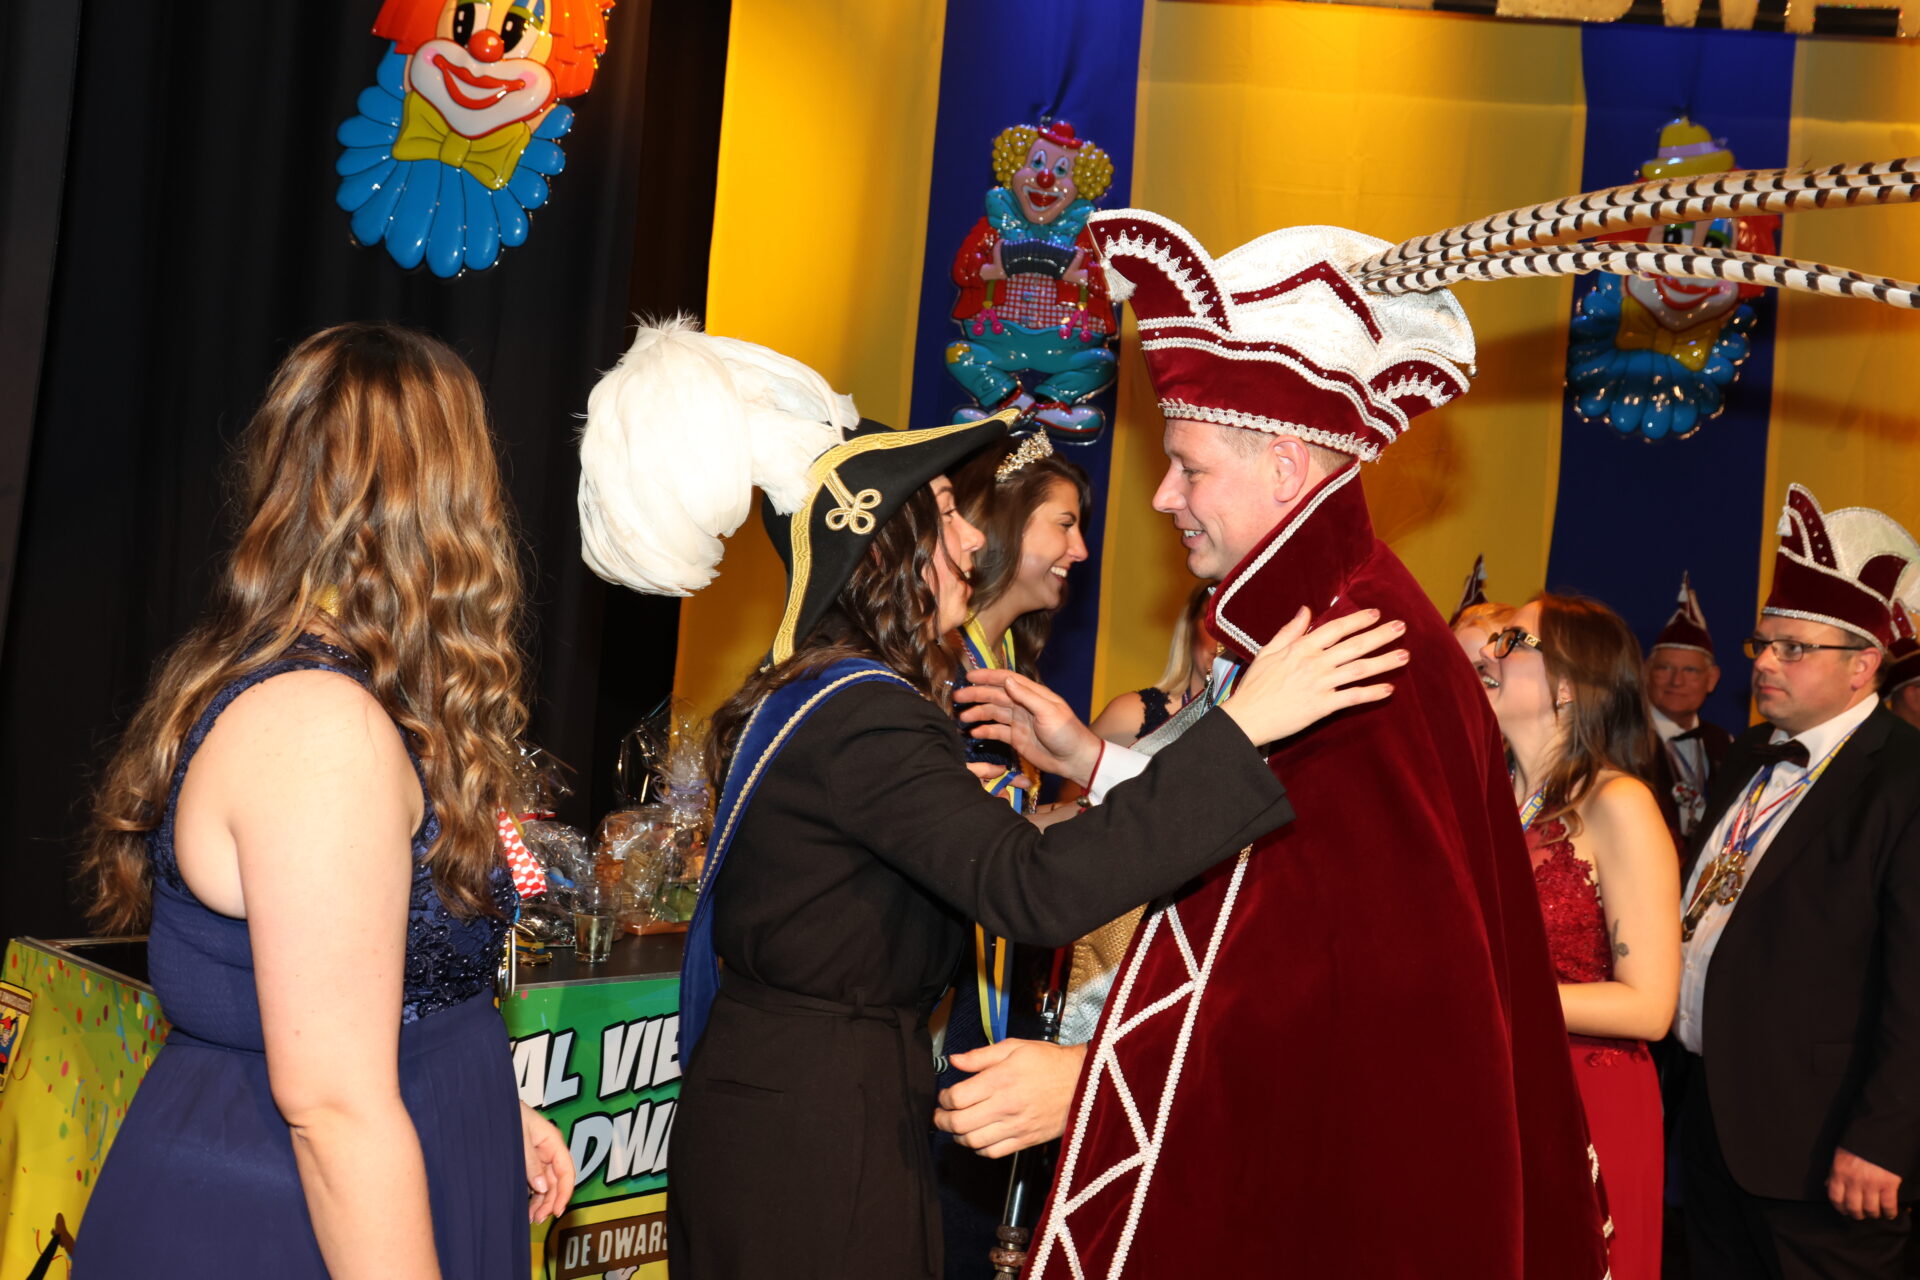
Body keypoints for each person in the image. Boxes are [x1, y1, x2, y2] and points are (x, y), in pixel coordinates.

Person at [572, 320, 1410, 1279]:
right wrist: (1242, 729)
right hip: (818, 1131)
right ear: (884, 549)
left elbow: (958, 860)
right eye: (945, 514)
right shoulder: (867, 715)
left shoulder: (822, 693)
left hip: (786, 1102)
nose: (975, 535)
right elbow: (1031, 889)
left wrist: (1079, 770)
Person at [954, 210, 1612, 1279]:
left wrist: (1093, 1081)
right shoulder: (1321, 623)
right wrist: (1095, 762)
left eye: (1188, 466)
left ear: (1287, 464)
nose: (1163, 495)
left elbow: (1371, 1002)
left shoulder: (1354, 652)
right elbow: (1266, 876)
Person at [73, 324, 573, 1279]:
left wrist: (483, 1108)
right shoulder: (319, 726)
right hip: (291, 1217)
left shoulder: (355, 698)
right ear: (445, 501)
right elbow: (333, 1109)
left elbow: (359, 1001)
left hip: (400, 1157)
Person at [1677, 483, 1920, 1279]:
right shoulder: (1749, 753)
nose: (1765, 662)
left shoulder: (1906, 780)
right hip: (1710, 1120)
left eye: (1793, 648)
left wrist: (1884, 1139)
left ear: (1863, 666)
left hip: (1826, 1147)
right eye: (1762, 643)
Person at [1481, 594, 1681, 1280]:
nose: (1488, 654)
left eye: (1512, 641)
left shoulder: (1618, 802)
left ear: (1568, 685)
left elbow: (1650, 1007)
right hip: (1489, 1084)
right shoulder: (1484, 798)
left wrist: (1486, 993)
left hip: (1584, 1095)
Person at [932, 428, 1091, 1274]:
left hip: (994, 985)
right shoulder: (935, 663)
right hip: (942, 996)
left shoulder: (1001, 663)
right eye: (1063, 523)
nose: (1081, 549)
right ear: (999, 523)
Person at [1646, 572, 1735, 844]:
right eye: (1665, 668)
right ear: (1646, 672)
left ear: (1712, 679)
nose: (1677, 681)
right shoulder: (1623, 739)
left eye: (1691, 671)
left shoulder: (1725, 744)